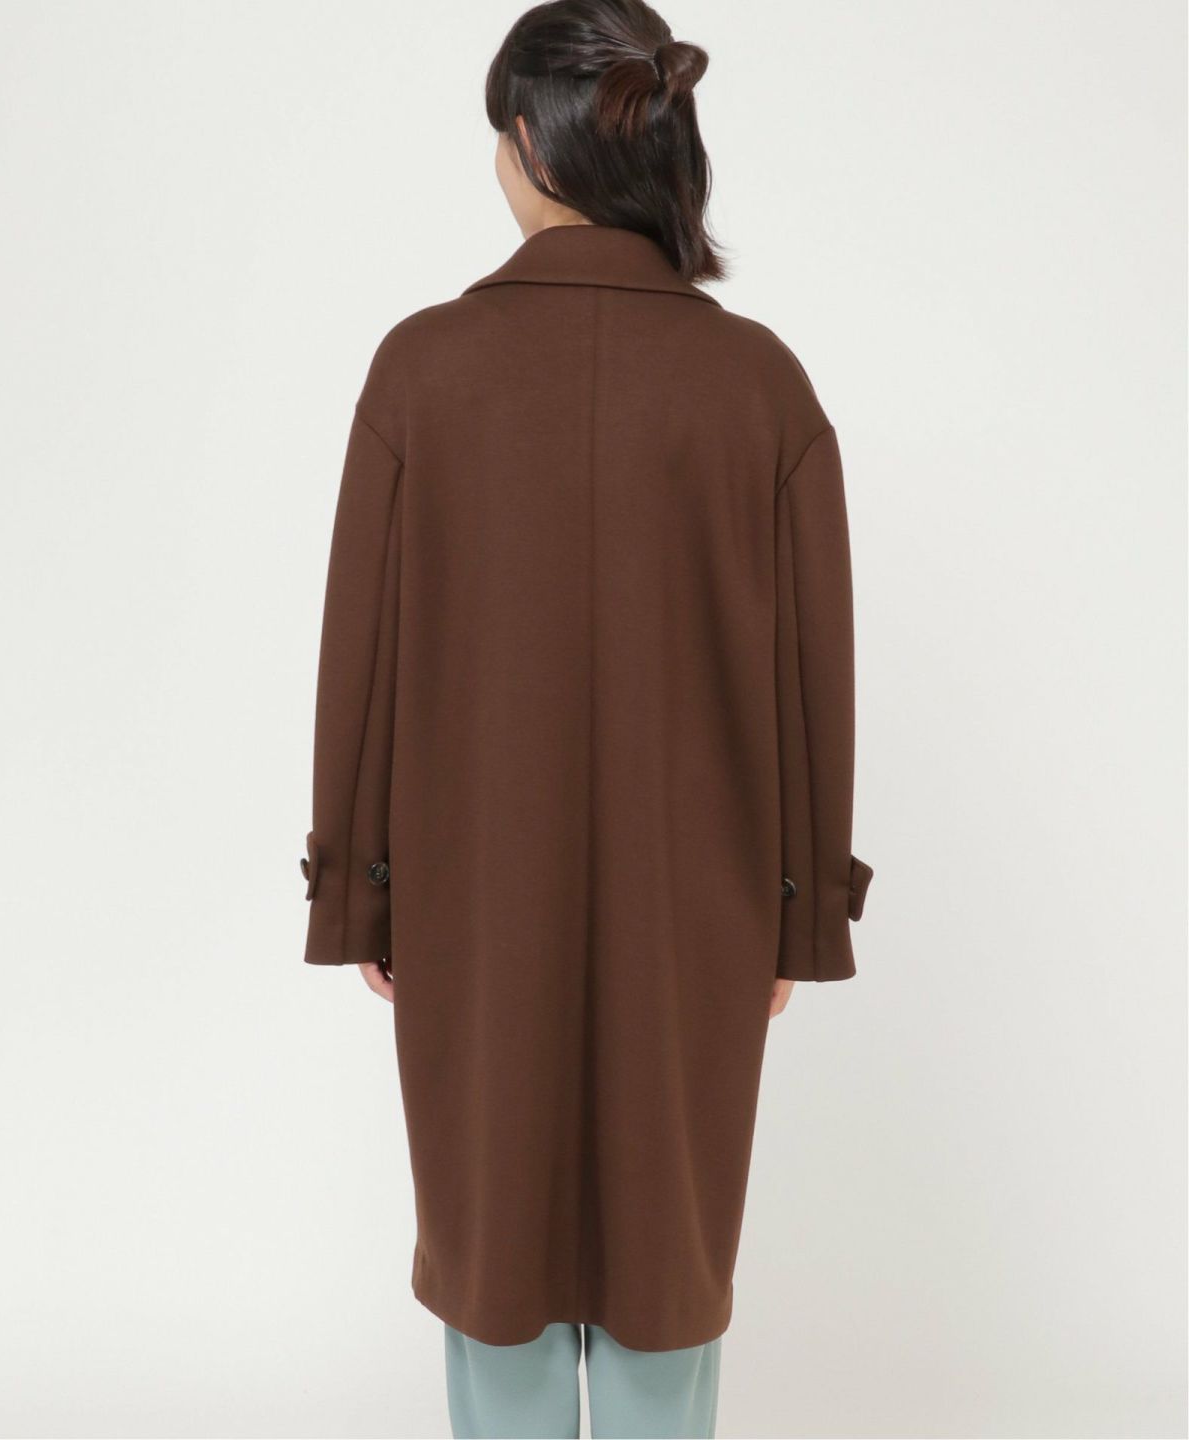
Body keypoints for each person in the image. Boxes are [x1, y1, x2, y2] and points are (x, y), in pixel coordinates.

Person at [299, 1, 872, 1434]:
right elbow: (814, 678)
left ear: (528, 143)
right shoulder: (763, 386)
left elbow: (362, 655)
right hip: (703, 915)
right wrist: (797, 915)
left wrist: (363, 892)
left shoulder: (422, 370)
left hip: (471, 903)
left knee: (495, 1264)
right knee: (667, 1274)